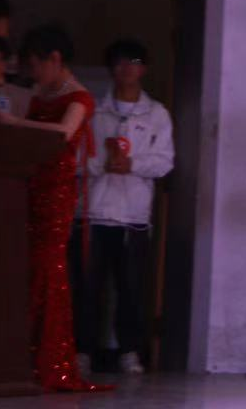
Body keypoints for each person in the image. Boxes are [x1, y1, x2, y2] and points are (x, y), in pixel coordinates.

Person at [0, 25, 112, 393]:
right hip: (30, 187)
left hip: (56, 193)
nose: (33, 73)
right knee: (29, 270)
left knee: (49, 271)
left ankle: (50, 361)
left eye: (35, 65)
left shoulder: (80, 97)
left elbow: (63, 133)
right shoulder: (41, 92)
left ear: (55, 59)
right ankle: (25, 356)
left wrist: (15, 122)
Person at [74, 39, 174, 376]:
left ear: (143, 68)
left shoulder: (157, 114)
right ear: (111, 68)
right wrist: (101, 164)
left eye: (133, 61)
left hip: (133, 217)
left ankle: (130, 351)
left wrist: (132, 164)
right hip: (94, 212)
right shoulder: (93, 110)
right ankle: (83, 350)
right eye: (119, 62)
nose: (126, 68)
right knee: (88, 287)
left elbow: (164, 162)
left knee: (130, 288)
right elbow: (76, 158)